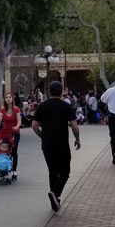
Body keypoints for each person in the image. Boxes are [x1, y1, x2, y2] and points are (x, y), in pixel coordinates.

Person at [33, 81, 81, 212]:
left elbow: (34, 126)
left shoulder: (42, 106)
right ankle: (56, 193)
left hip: (47, 144)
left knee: (52, 171)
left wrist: (42, 136)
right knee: (65, 172)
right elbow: (75, 127)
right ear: (62, 93)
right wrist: (77, 140)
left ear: (49, 92)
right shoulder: (66, 106)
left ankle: (54, 197)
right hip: (62, 144)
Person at [0, 92, 22, 179]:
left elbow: (19, 121)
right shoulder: (2, 109)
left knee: (14, 151)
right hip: (6, 133)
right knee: (5, 150)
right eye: (6, 97)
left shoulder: (16, 109)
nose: (8, 99)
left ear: (12, 99)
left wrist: (16, 127)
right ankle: (4, 169)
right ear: (4, 100)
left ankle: (14, 170)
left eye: (10, 97)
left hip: (15, 132)